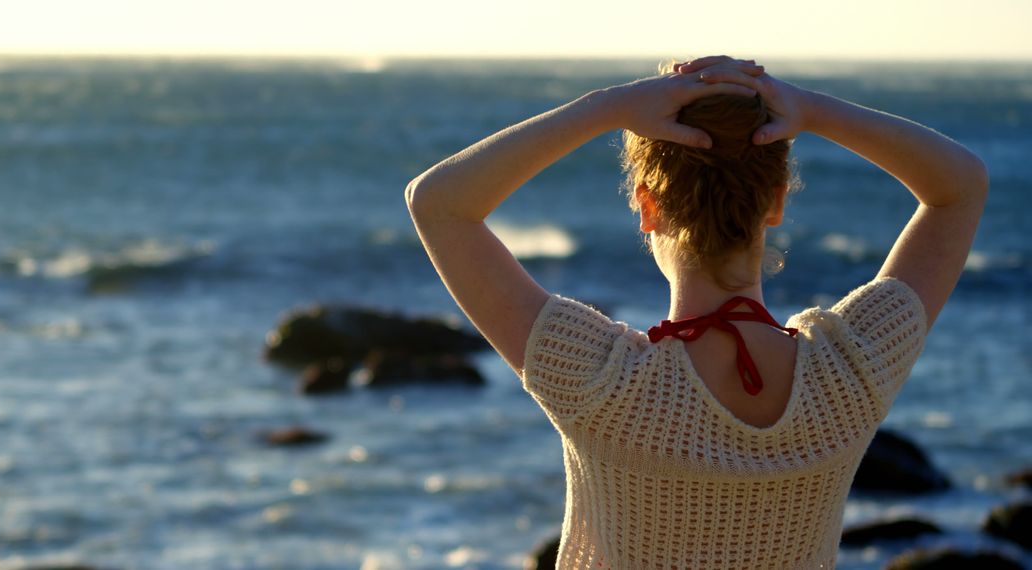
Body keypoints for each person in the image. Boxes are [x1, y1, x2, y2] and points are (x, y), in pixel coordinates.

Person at [404, 56, 988, 569]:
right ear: (778, 202)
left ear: (648, 207)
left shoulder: (603, 384)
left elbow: (438, 203)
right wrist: (809, 108)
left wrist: (609, 106)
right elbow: (960, 185)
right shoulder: (849, 375)